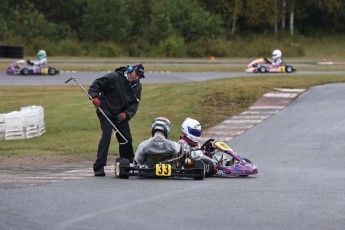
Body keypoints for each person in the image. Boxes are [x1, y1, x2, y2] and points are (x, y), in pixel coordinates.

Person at [88, 63, 145, 176]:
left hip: (120, 115)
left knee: (126, 138)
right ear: (130, 70)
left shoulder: (138, 86)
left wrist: (126, 114)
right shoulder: (114, 77)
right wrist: (94, 97)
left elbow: (134, 104)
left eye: (139, 76)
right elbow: (96, 84)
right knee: (106, 135)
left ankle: (127, 165)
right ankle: (99, 166)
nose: (137, 78)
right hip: (106, 111)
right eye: (136, 74)